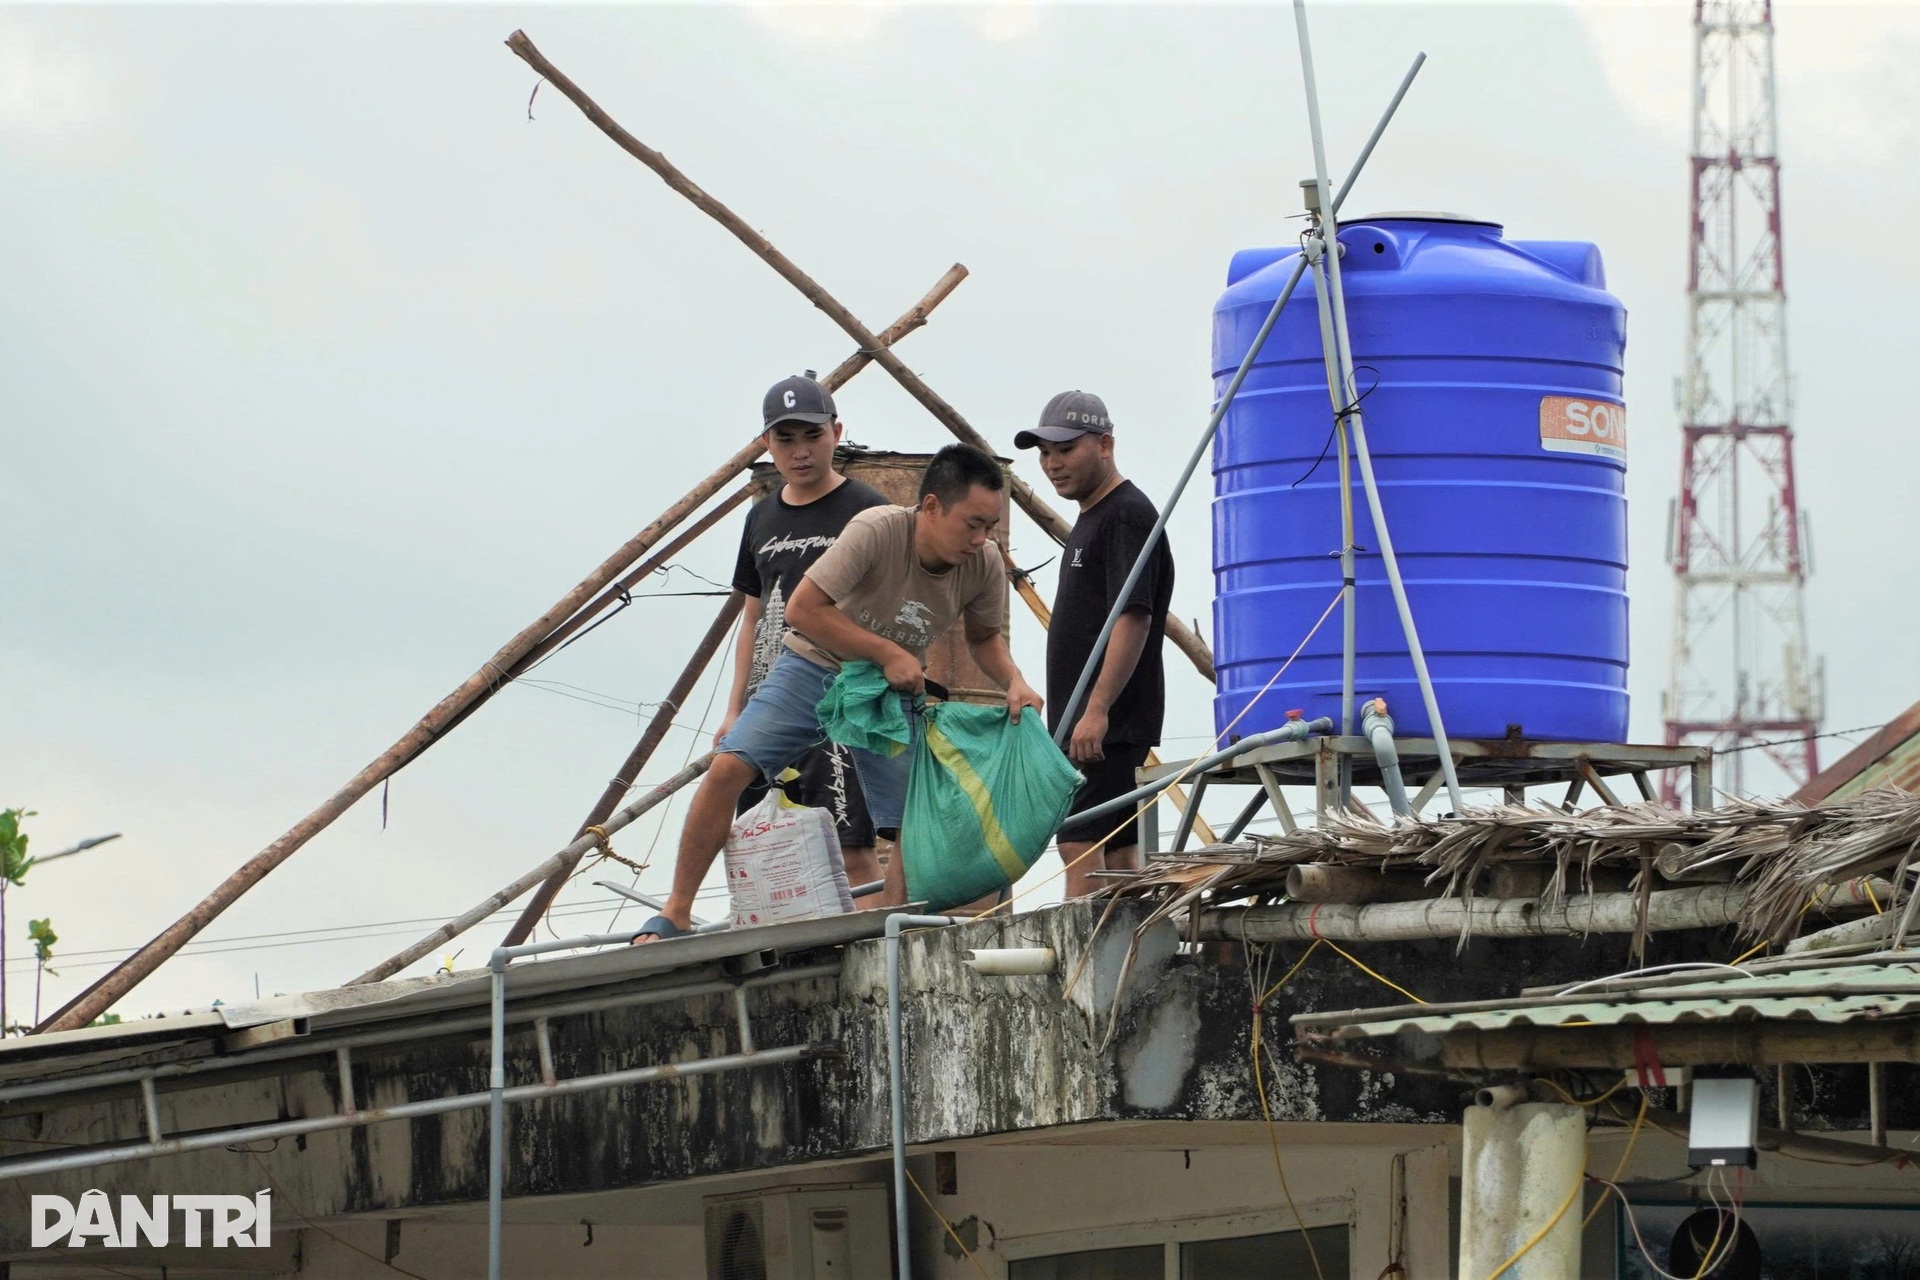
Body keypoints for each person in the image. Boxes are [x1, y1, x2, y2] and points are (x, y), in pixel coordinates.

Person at [634, 443, 1043, 941]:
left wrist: (1014, 680)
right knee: (728, 769)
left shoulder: (984, 563)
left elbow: (984, 638)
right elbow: (802, 610)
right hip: (816, 662)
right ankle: (675, 912)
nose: (981, 540)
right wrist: (886, 651)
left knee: (912, 815)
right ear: (932, 507)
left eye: (991, 527)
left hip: (886, 691)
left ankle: (895, 930)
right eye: (972, 525)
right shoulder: (877, 529)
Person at [718, 372, 891, 901]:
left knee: (850, 845)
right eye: (785, 438)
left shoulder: (871, 510)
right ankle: (782, 943)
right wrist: (735, 708)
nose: (800, 452)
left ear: (836, 432)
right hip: (769, 700)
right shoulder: (760, 517)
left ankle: (866, 946)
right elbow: (752, 617)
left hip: (840, 697)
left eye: (812, 436)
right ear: (766, 443)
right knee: (761, 842)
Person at [1016, 390, 1174, 899]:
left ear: (1105, 445)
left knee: (1078, 842)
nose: (1052, 464)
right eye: (1045, 453)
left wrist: (1098, 708)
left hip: (1105, 720)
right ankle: (1130, 942)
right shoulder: (1094, 515)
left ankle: (1084, 949)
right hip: (1089, 718)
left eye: (1066, 449)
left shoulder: (1124, 515)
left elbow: (1134, 616)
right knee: (1119, 849)